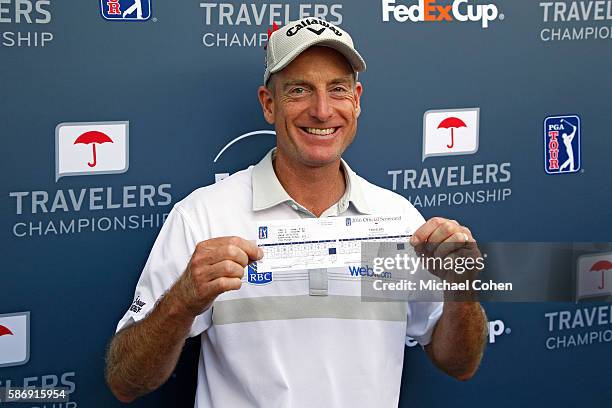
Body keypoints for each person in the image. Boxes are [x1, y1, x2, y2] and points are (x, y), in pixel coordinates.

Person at [105, 17, 487, 407]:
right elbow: (125, 381)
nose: (322, 111)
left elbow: (460, 364)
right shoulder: (202, 216)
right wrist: (182, 300)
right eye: (300, 90)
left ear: (356, 100)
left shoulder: (400, 219)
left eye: (336, 89)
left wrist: (462, 289)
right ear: (269, 104)